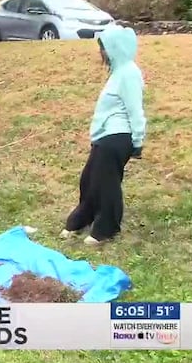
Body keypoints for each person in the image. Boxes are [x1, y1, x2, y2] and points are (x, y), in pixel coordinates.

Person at [60, 24, 146, 246]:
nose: (101, 53)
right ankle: (80, 220)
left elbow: (135, 110)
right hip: (105, 137)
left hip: (118, 137)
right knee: (89, 180)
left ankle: (106, 229)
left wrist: (138, 140)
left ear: (116, 47)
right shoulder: (118, 72)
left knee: (106, 184)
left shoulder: (129, 73)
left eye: (104, 48)